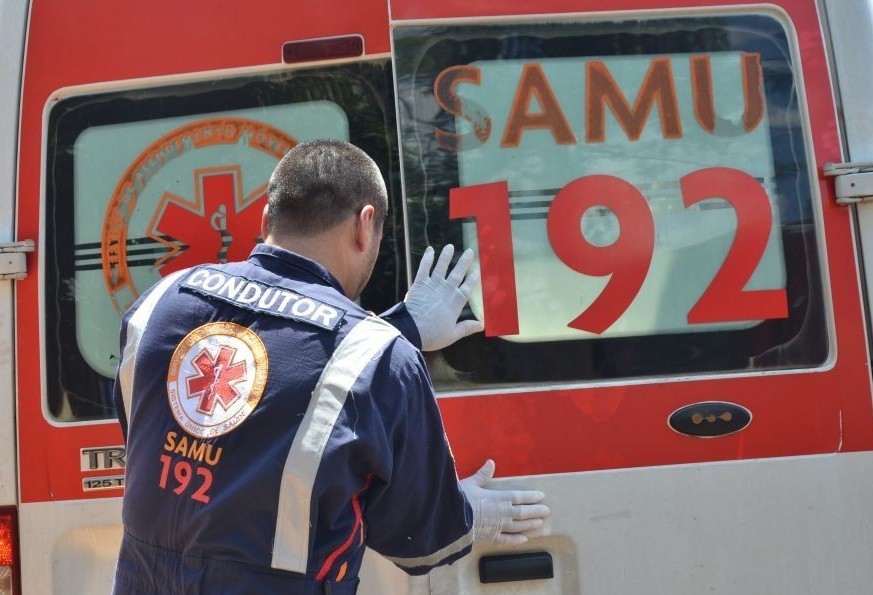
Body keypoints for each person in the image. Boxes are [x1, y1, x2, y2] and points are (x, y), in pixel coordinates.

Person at [111, 139, 549, 594]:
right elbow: (420, 542)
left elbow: (177, 429)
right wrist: (466, 516)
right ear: (364, 226)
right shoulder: (381, 360)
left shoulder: (160, 303)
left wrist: (400, 331)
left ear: (265, 219)